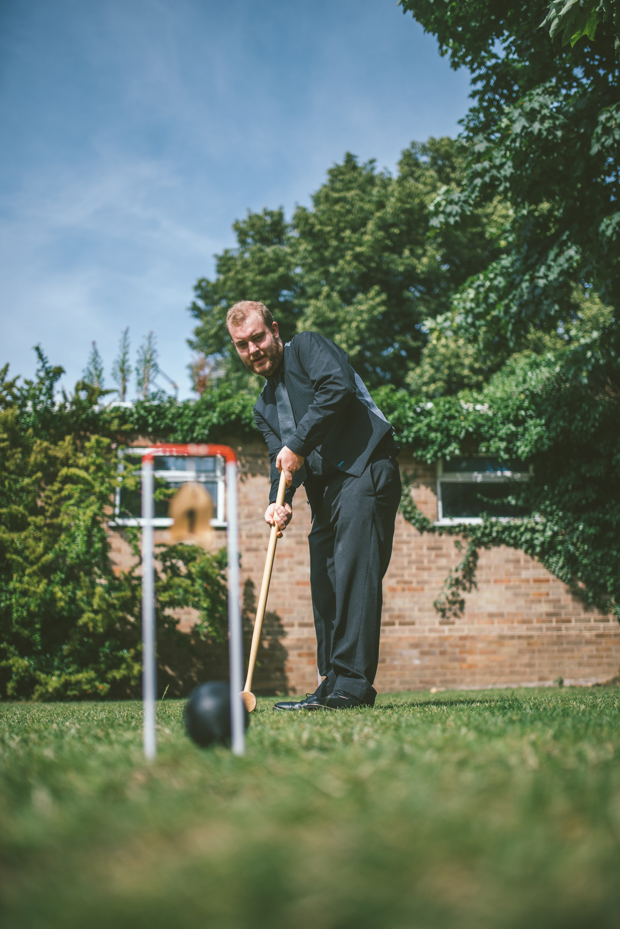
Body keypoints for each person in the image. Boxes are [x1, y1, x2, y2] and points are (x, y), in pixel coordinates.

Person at [227, 300, 401, 710]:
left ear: (274, 330)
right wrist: (278, 501)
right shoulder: (263, 408)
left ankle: (353, 686)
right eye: (242, 345)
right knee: (325, 583)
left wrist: (297, 445)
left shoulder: (307, 348)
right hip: (327, 493)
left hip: (365, 468)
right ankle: (330, 682)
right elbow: (284, 465)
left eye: (257, 338)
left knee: (354, 576)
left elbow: (336, 387)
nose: (253, 350)